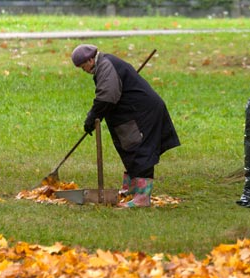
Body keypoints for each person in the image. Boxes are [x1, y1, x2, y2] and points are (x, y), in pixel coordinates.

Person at [71, 44, 180, 208]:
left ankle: (142, 198)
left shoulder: (106, 65)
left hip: (143, 113)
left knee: (140, 150)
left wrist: (92, 117)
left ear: (90, 59)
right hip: (133, 113)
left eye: (83, 66)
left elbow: (107, 97)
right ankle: (131, 190)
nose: (83, 70)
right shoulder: (106, 64)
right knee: (130, 148)